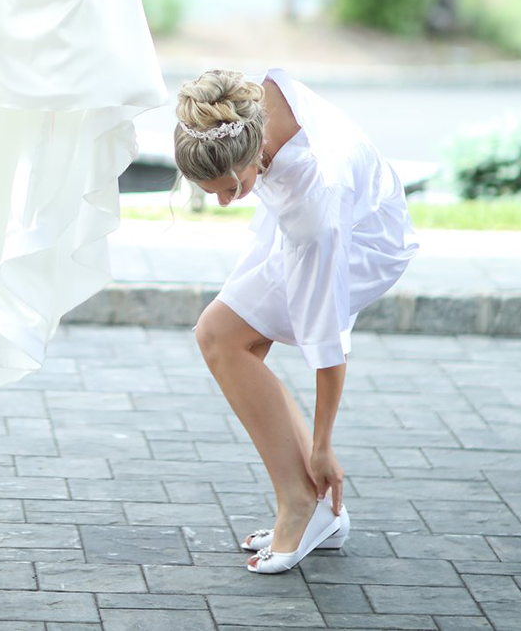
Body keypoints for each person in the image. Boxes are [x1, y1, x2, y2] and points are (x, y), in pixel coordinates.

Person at [172, 66, 419, 575]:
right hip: (305, 216)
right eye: (210, 191)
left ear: (252, 156)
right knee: (222, 338)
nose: (222, 202)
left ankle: (303, 505)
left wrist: (324, 445)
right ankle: (310, 506)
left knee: (223, 338)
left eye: (228, 189)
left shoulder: (315, 206)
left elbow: (329, 338)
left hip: (362, 240)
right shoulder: (244, 105)